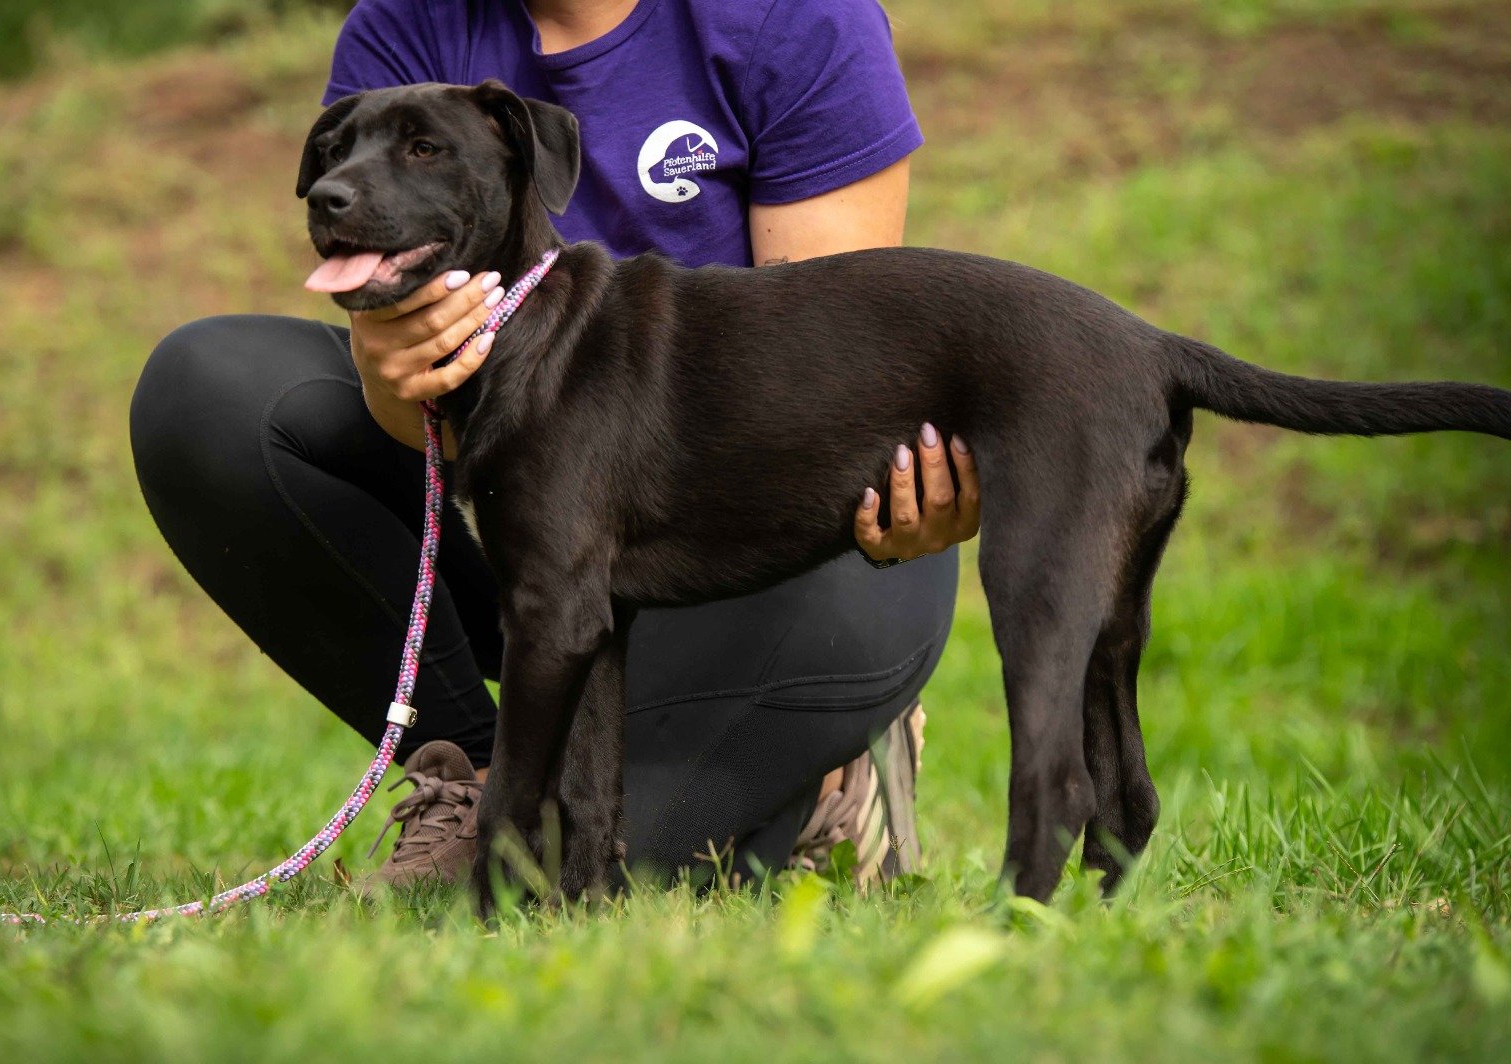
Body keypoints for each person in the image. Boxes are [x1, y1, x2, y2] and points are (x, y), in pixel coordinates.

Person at [129, 0, 979, 891]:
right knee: (208, 388)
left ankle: (830, 784)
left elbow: (826, 376)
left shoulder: (792, 17)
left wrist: (914, 497)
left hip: (773, 534)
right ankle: (478, 776)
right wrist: (391, 374)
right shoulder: (407, 23)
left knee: (624, 859)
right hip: (526, 526)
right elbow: (406, 388)